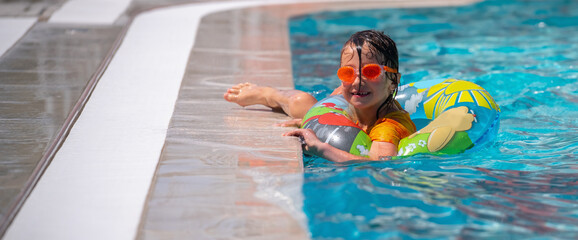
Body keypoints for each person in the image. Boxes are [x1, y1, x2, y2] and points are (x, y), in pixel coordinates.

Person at [224, 30, 416, 162]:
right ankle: (268, 94)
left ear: (394, 81)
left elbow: (378, 164)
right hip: (343, 110)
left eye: (371, 72)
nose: (357, 82)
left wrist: (321, 147)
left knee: (306, 106)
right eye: (348, 73)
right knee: (301, 103)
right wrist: (312, 120)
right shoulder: (353, 93)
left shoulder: (389, 127)